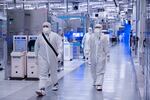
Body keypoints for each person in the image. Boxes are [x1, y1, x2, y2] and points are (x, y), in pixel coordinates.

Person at [35, 22, 63, 96]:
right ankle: (41, 89)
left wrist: (60, 53)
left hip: (53, 57)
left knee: (53, 72)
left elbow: (60, 45)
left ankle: (55, 84)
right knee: (43, 73)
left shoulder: (55, 36)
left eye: (46, 26)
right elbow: (36, 47)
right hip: (43, 57)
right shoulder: (40, 37)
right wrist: (36, 57)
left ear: (50, 27)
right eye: (44, 26)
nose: (45, 27)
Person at [89, 24, 109, 91]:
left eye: (99, 27)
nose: (97, 29)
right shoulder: (91, 37)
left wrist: (107, 54)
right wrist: (87, 55)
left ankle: (99, 84)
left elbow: (106, 46)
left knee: (100, 70)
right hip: (93, 56)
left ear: (101, 28)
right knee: (93, 70)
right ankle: (95, 80)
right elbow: (89, 46)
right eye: (96, 27)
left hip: (101, 56)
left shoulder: (104, 37)